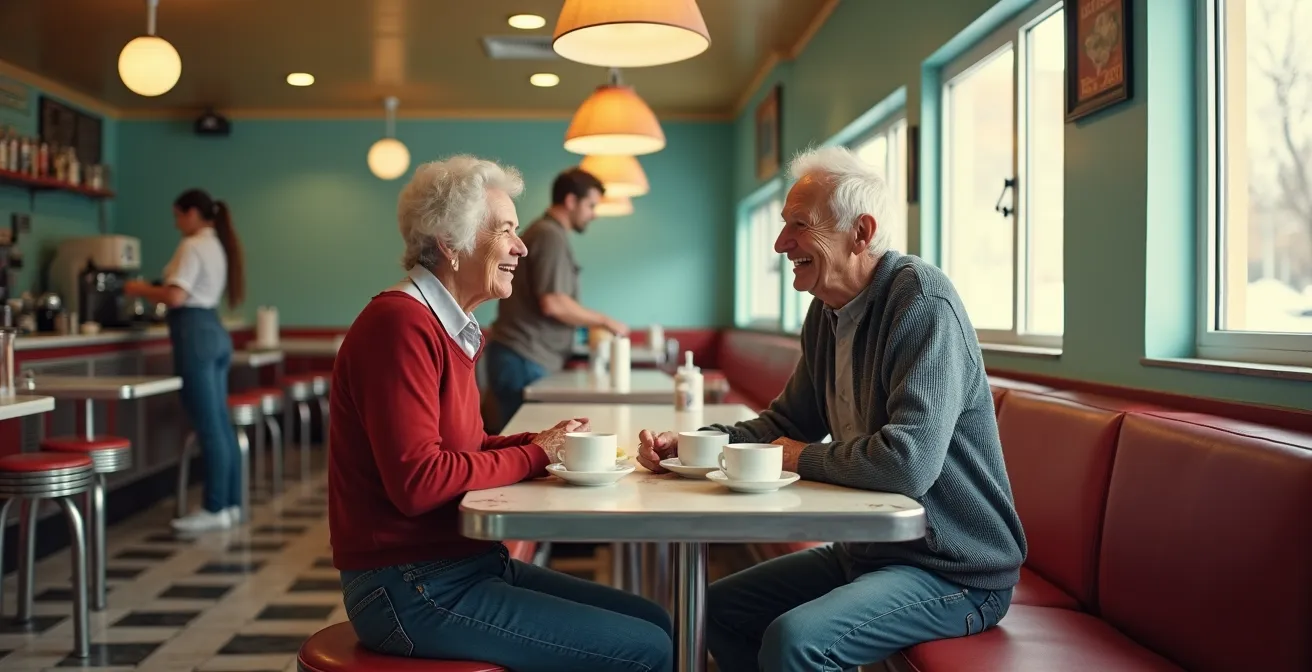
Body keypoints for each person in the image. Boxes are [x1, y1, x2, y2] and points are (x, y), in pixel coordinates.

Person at [637, 146, 1027, 671]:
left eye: (799, 224)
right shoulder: (826, 313)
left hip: (955, 570)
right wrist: (695, 444)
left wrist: (796, 457)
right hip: (867, 552)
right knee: (719, 609)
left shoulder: (921, 302)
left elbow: (907, 463)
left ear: (861, 233)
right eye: (782, 225)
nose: (780, 243)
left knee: (798, 641)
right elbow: (785, 425)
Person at [329, 156, 673, 671]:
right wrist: (537, 454)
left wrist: (543, 441)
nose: (521, 246)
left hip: (462, 566)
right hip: (408, 588)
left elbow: (461, 452)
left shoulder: (448, 326)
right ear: (451, 242)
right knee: (649, 650)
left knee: (658, 622)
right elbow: (420, 480)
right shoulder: (400, 325)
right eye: (506, 230)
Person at [124, 189, 247, 533]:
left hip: (194, 334)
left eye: (178, 216)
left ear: (192, 213)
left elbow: (176, 295)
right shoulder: (217, 244)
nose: (177, 224)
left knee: (210, 427)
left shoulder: (193, 245)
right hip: (214, 331)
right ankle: (231, 503)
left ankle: (214, 507)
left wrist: (136, 289)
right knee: (220, 424)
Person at [484, 167, 629, 432]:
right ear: (571, 201)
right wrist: (606, 321)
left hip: (520, 356)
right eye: (591, 206)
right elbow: (554, 302)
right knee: (523, 454)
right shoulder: (549, 235)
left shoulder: (548, 233)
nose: (593, 214)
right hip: (523, 358)